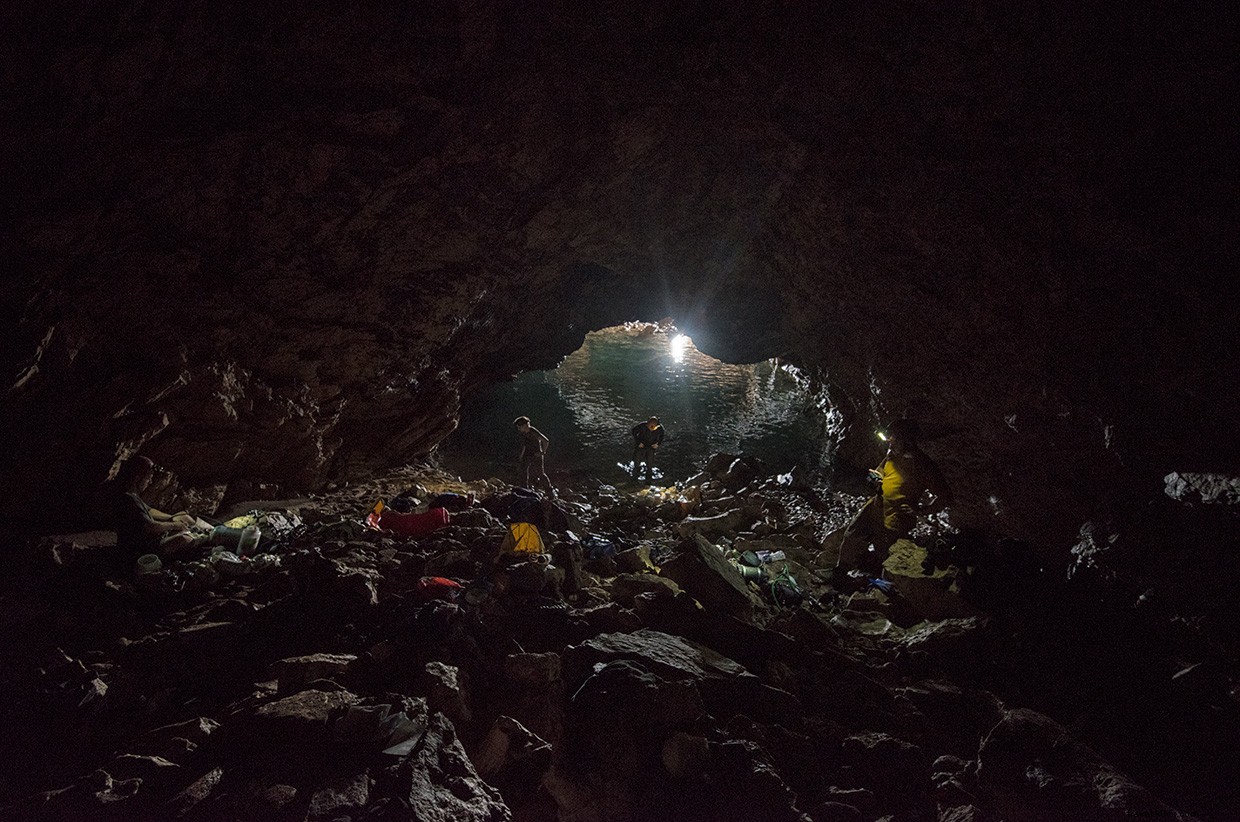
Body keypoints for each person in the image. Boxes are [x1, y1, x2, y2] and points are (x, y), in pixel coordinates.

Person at [833, 418, 952, 580]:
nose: (890, 443)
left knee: (886, 553)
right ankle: (839, 574)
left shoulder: (924, 466)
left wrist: (922, 511)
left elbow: (945, 497)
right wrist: (874, 478)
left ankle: (887, 588)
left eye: (894, 439)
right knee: (852, 535)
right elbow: (880, 471)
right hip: (875, 506)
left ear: (907, 441)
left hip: (896, 517)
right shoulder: (892, 455)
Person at [111, 456, 213, 557]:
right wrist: (174, 524)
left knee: (184, 517)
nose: (150, 482)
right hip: (141, 549)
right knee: (185, 539)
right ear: (138, 478)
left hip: (149, 540)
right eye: (148, 478)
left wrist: (171, 517)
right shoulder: (128, 499)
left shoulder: (132, 494)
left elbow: (150, 510)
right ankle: (208, 542)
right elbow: (151, 527)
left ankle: (208, 534)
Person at [513, 416, 555, 497]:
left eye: (519, 427)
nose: (518, 429)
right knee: (523, 469)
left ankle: (549, 491)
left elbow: (545, 440)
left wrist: (543, 452)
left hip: (536, 454)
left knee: (540, 473)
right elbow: (525, 445)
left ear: (524, 425)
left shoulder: (533, 432)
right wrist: (522, 455)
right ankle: (524, 487)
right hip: (528, 453)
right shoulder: (523, 433)